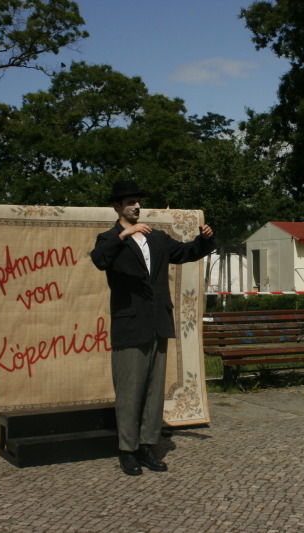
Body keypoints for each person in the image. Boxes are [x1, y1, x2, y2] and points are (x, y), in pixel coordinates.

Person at [90, 180, 216, 476]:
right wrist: (124, 234)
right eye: (129, 202)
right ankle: (127, 450)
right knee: (130, 390)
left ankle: (147, 446)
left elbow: (186, 253)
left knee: (153, 391)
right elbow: (99, 260)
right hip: (130, 327)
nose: (136, 206)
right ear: (117, 207)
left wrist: (206, 240)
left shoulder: (157, 239)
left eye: (138, 201)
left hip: (158, 323)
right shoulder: (109, 238)